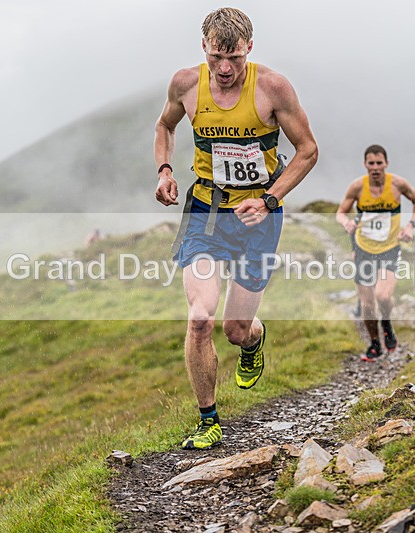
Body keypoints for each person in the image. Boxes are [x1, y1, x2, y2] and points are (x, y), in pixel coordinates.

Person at [154, 8, 318, 449]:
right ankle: (208, 421)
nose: (224, 69)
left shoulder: (273, 88)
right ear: (203, 48)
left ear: (249, 48)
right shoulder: (186, 84)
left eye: (234, 59)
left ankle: (251, 343)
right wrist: (165, 171)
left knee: (235, 329)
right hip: (206, 212)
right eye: (215, 58)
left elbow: (307, 150)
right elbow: (164, 125)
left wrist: (269, 200)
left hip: (257, 219)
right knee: (201, 317)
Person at [336, 145, 415, 361]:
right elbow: (340, 213)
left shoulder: (397, 184)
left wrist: (410, 225)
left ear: (386, 163)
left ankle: (387, 324)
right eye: (371, 163)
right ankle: (375, 344)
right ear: (365, 164)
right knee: (366, 305)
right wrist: (346, 222)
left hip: (389, 249)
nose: (375, 168)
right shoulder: (357, 187)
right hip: (363, 249)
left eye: (379, 163)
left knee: (383, 296)